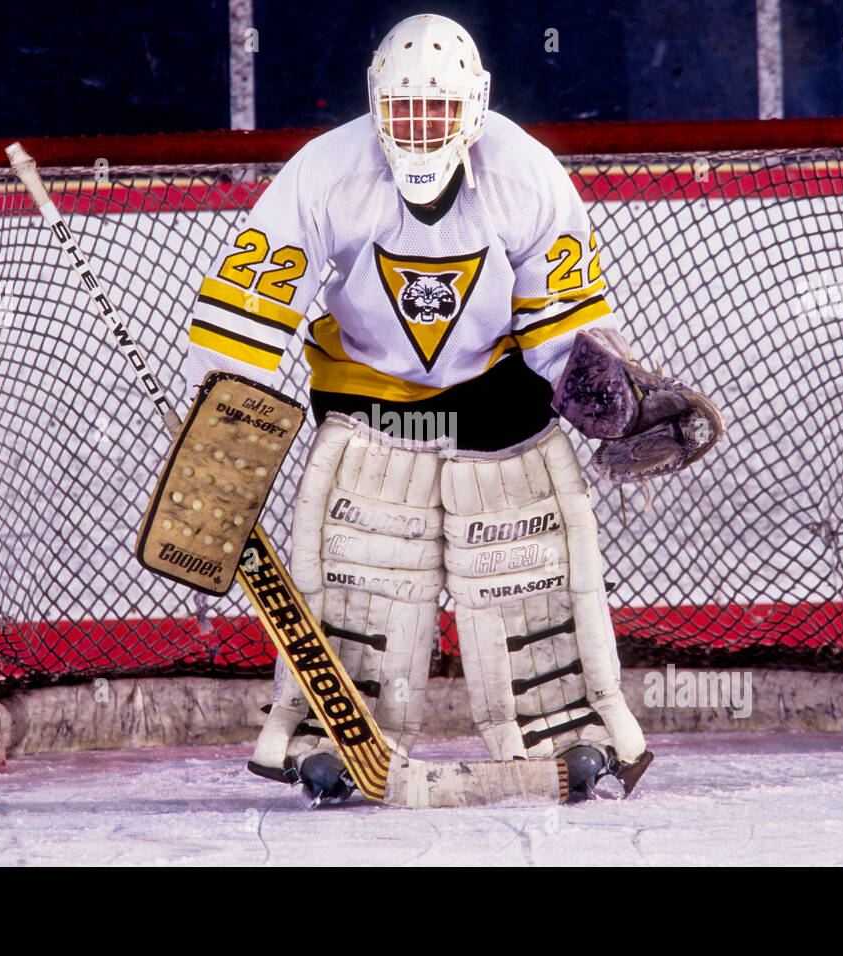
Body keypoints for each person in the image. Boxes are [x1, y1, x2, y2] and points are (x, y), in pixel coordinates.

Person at [182, 13, 671, 803]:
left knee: (529, 572)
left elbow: (562, 324)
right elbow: (252, 310)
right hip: (369, 400)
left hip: (498, 399)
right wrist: (222, 427)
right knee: (359, 578)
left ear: (475, 107)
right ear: (374, 104)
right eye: (402, 111)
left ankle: (563, 726)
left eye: (436, 112)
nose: (418, 129)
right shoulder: (325, 172)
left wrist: (614, 398)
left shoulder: (527, 173)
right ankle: (335, 731)